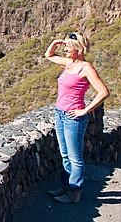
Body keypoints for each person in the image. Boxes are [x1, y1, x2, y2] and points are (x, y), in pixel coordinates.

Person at [44, 32, 110, 203]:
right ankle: (66, 187)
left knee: (75, 158)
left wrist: (85, 110)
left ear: (78, 48)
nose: (65, 49)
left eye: (68, 47)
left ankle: (75, 193)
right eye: (65, 47)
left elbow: (103, 92)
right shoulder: (69, 63)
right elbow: (49, 55)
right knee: (65, 155)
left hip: (74, 117)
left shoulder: (86, 68)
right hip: (60, 114)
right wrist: (57, 41)